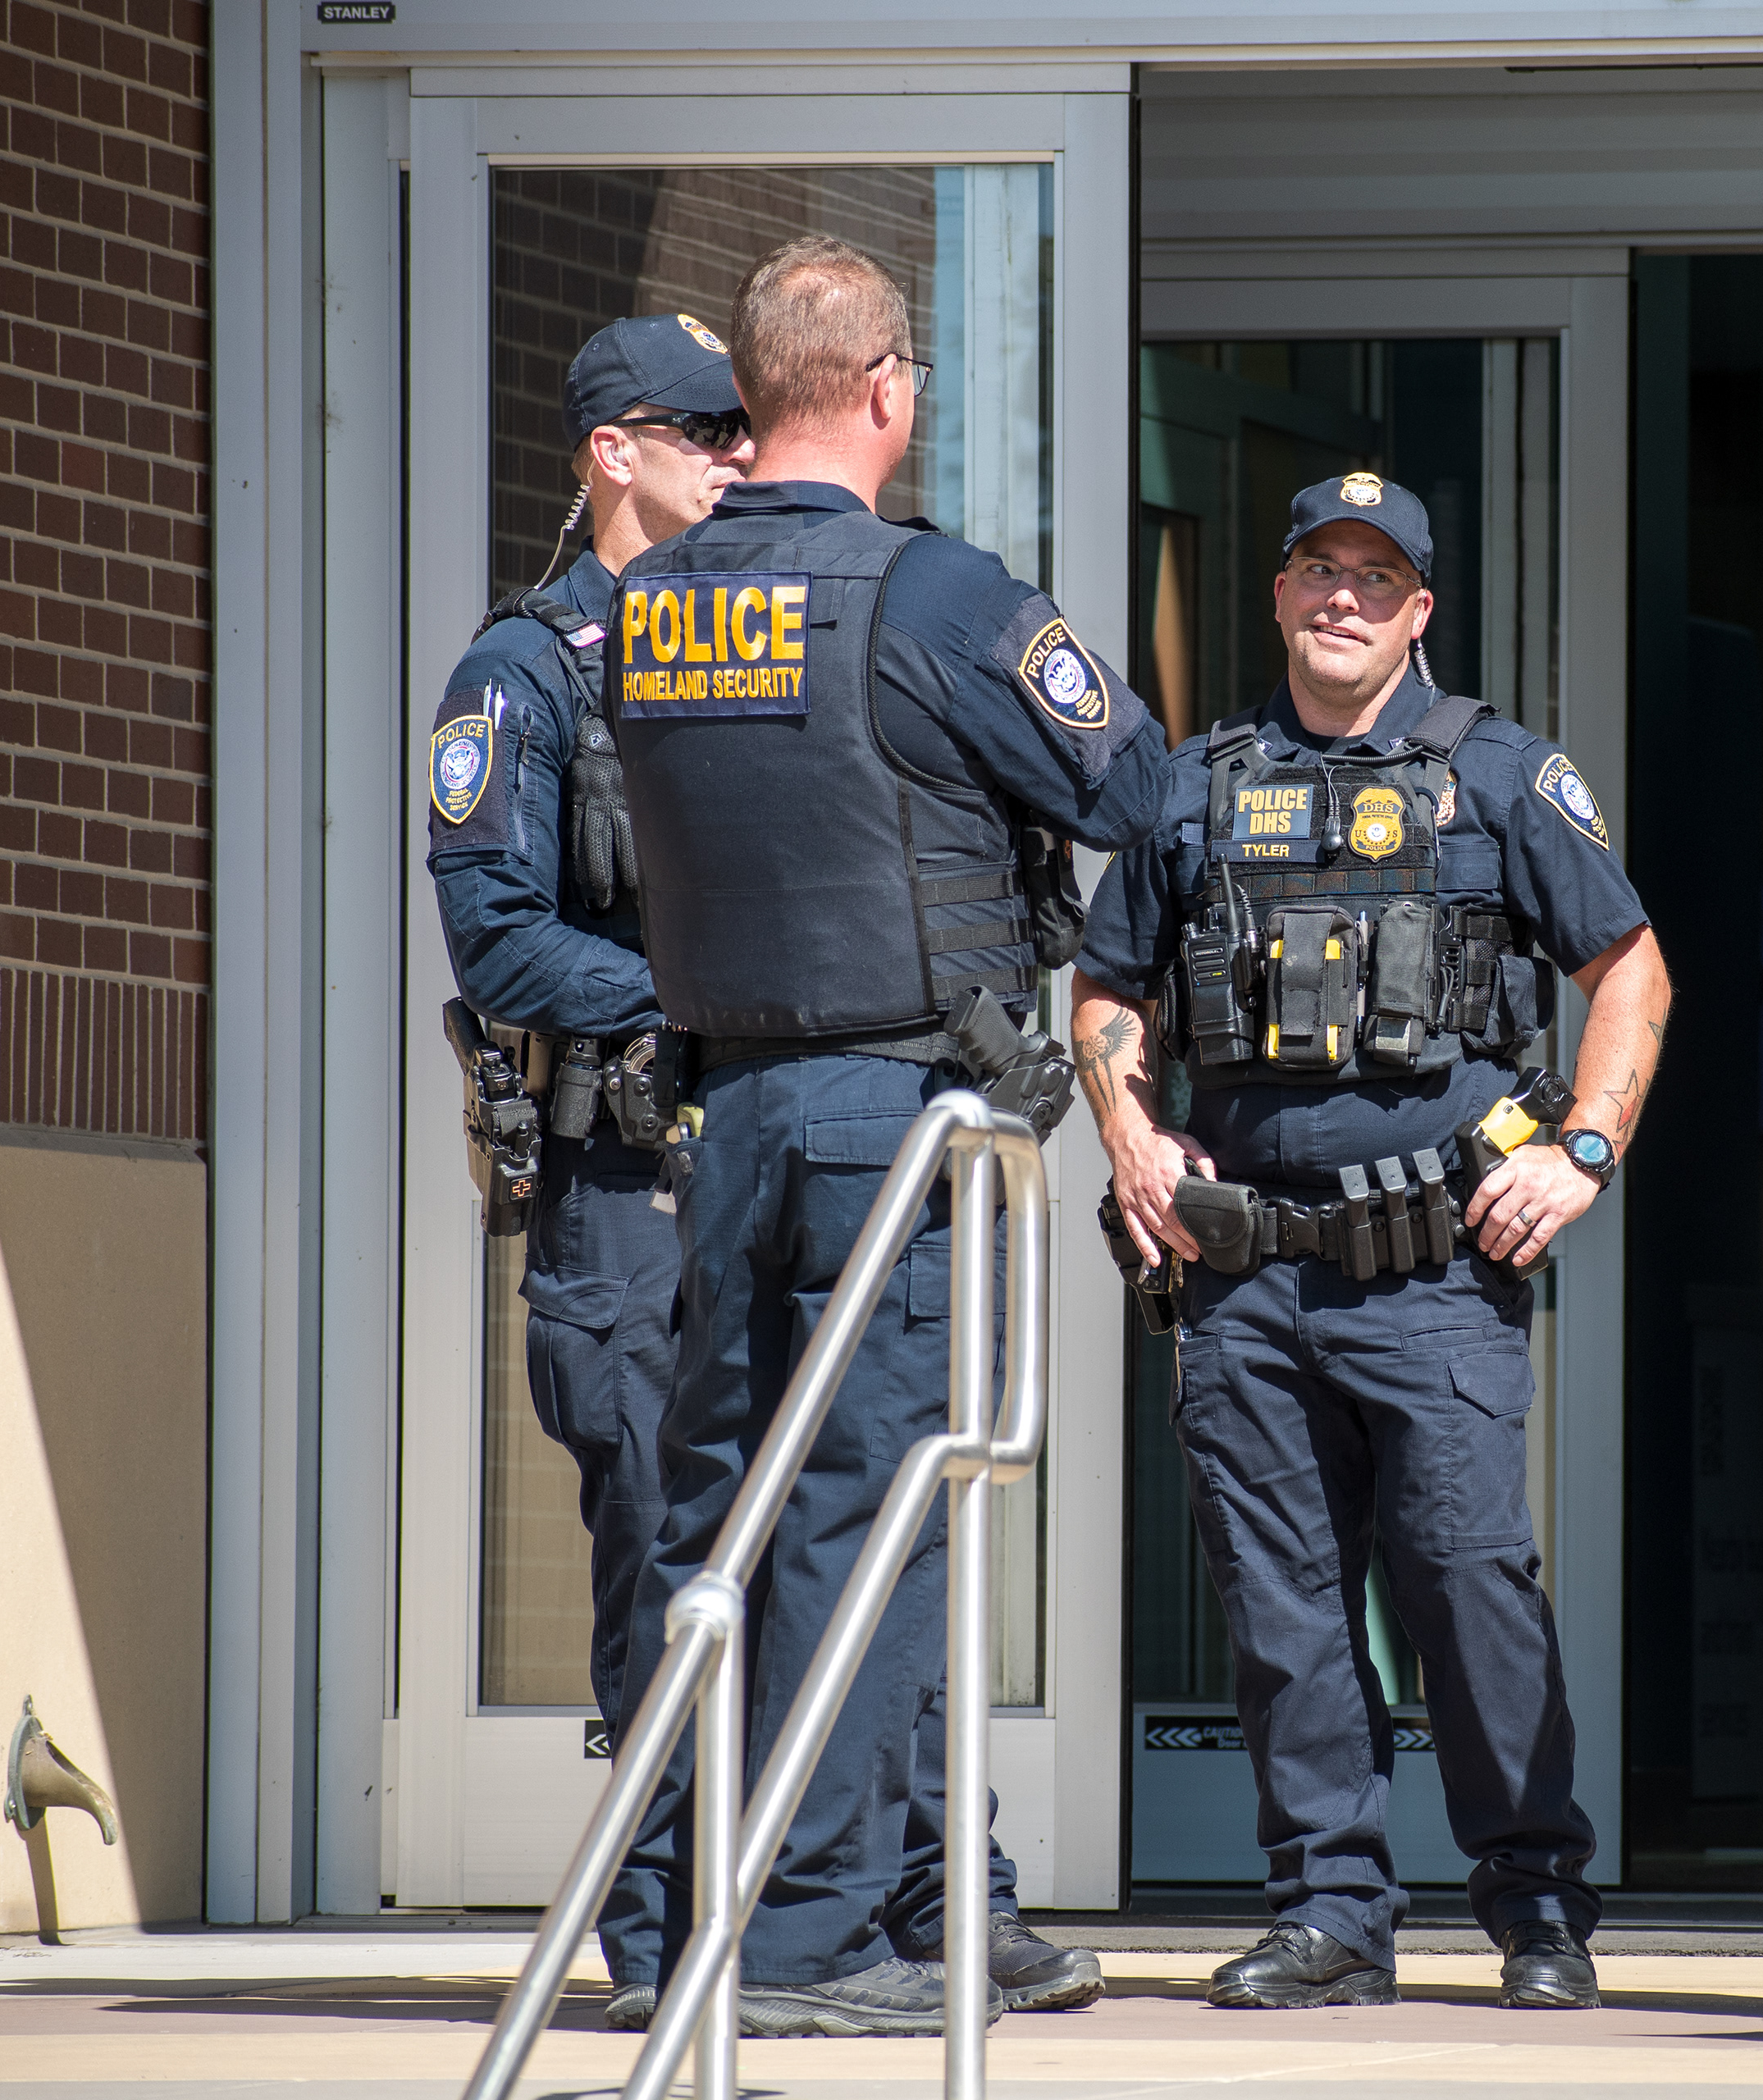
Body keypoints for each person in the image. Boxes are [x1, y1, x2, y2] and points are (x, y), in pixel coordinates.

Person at [424, 314, 1093, 2037]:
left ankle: (938, 1890)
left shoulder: (797, 622)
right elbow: (498, 937)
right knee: (678, 1557)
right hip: (639, 1182)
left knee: (875, 1517)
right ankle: (660, 1931)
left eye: (746, 424)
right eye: (695, 427)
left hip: (784, 1148)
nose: (735, 452)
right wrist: (718, 994)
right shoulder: (541, 665)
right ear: (608, 452)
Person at [593, 240, 1163, 2038]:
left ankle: (688, 1906)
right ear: (893, 390)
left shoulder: (652, 604)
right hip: (898, 1120)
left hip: (726, 1111)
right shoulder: (930, 596)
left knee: (719, 1517)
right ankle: (816, 1931)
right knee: (874, 1516)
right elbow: (1136, 787)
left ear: (752, 392)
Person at [1073, 473, 1674, 2012]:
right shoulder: (1191, 789)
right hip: (1246, 1274)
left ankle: (1536, 1906)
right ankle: (1330, 1913)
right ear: (1276, 596)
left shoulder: (1501, 778)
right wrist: (1134, 1138)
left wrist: (1585, 1150)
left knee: (1471, 1587)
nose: (1341, 596)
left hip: (1437, 1271)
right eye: (1315, 570)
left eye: (1375, 574)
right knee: (1284, 1610)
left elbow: (1634, 972)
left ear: (1420, 607)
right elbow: (1107, 992)